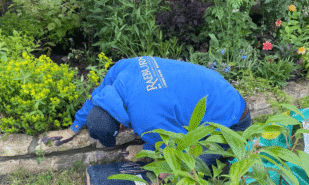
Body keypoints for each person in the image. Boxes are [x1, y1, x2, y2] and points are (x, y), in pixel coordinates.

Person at [43, 56, 251, 177]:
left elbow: (174, 143)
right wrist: (74, 128)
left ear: (121, 127)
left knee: (174, 173)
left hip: (232, 122)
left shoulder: (145, 119)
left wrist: (148, 157)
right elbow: (95, 97)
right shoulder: (121, 70)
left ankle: (224, 160)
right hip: (219, 92)